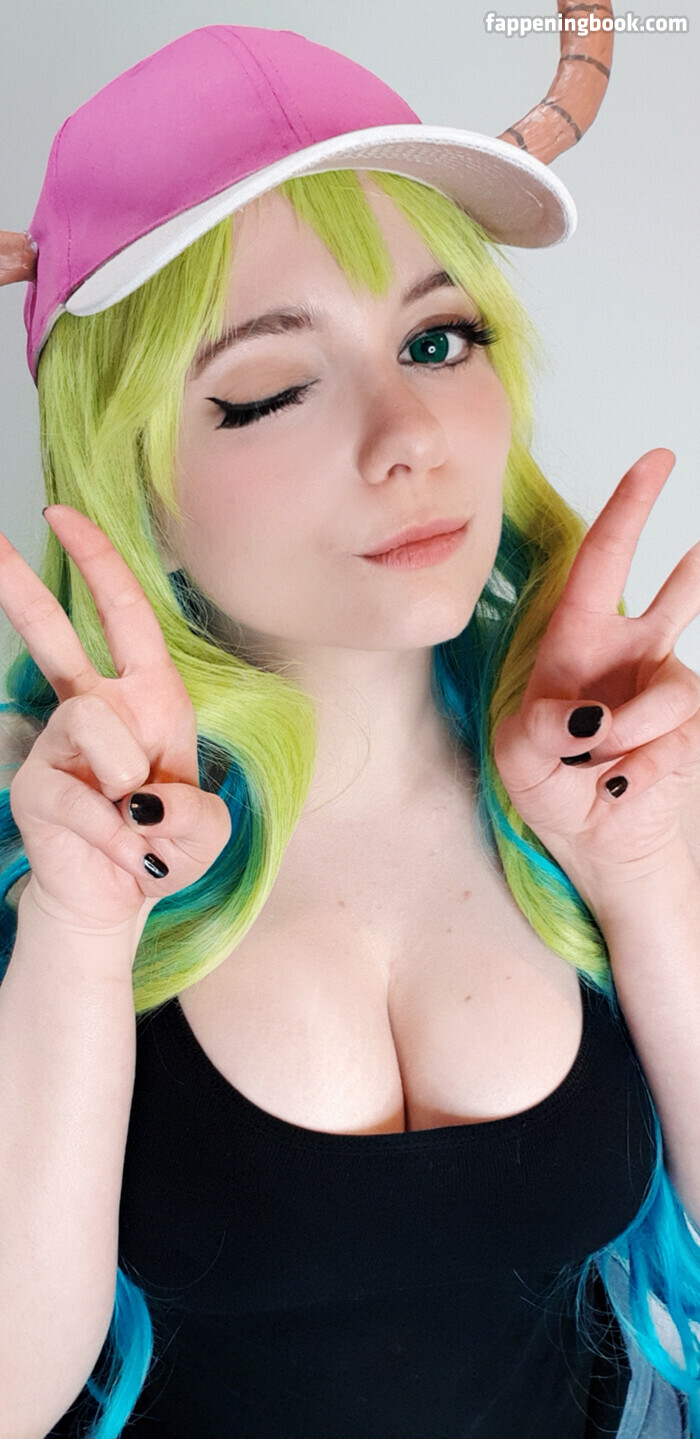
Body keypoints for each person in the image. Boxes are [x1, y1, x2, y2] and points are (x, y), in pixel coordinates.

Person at [0, 13, 699, 1439]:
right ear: (135, 486)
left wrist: (643, 877)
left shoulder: (612, 777)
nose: (411, 436)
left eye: (438, 339)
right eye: (270, 389)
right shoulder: (54, 841)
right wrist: (76, 933)